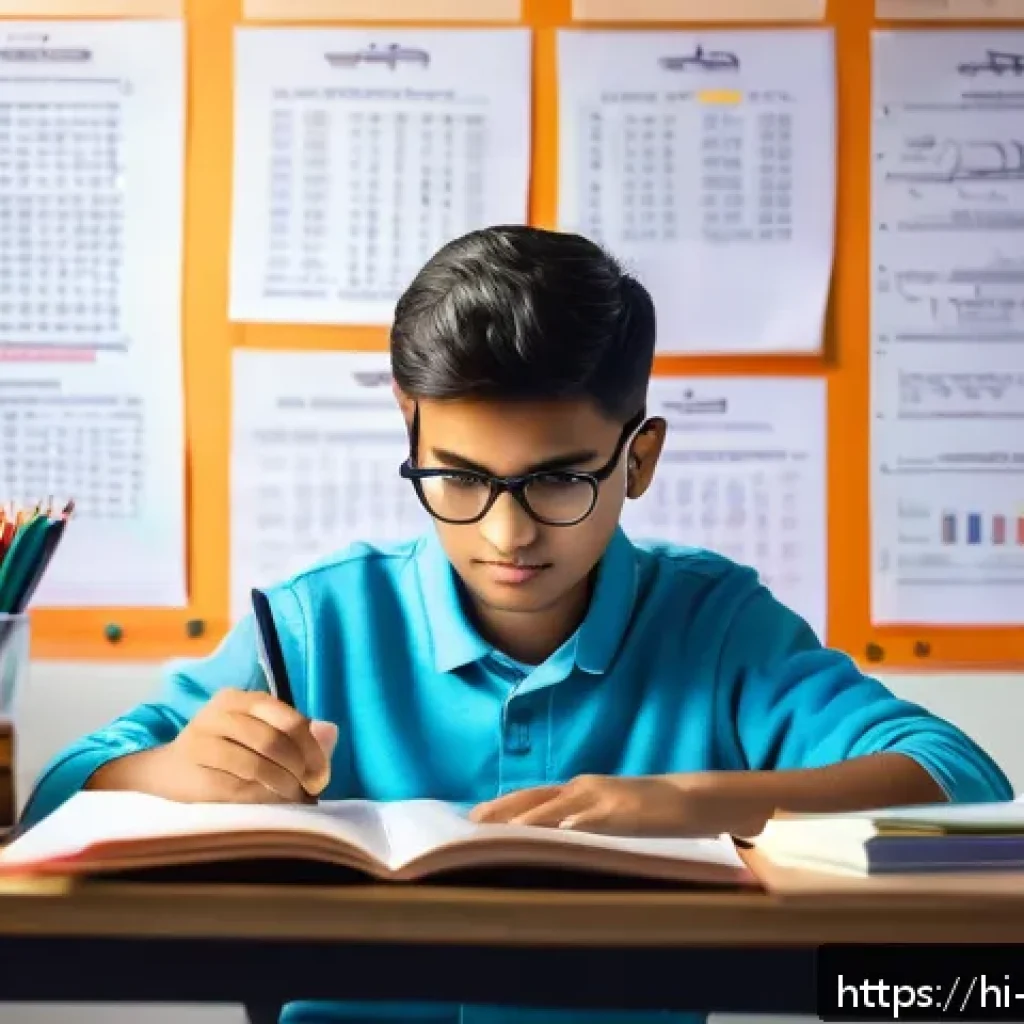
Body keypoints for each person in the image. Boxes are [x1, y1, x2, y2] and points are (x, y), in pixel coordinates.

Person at [21, 226, 1011, 1023]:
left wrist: (690, 799)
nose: (507, 532)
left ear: (640, 455)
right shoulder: (315, 623)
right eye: (456, 476)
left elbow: (963, 785)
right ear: (406, 421)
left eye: (558, 479)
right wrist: (166, 771)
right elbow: (55, 802)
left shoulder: (718, 626)